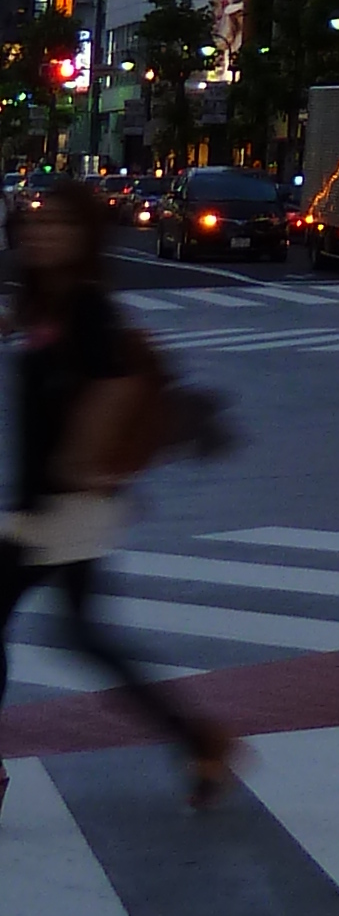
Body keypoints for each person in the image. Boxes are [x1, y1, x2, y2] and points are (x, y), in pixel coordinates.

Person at [1, 185, 235, 814]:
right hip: (45, 502)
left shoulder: (87, 309)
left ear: (83, 236)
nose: (42, 234)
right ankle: (201, 739)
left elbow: (119, 382)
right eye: (36, 224)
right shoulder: (44, 302)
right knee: (87, 636)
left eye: (58, 226)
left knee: (70, 633)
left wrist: (84, 454)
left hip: (64, 502)